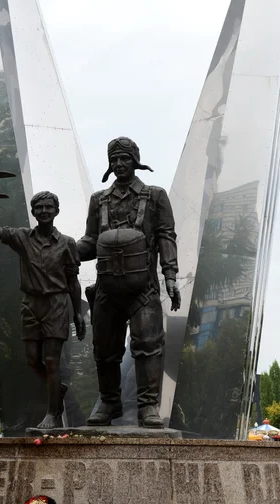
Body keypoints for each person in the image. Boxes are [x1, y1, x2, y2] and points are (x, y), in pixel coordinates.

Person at [77, 137, 181, 428]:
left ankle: (148, 406)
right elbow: (90, 241)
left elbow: (166, 237)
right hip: (106, 288)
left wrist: (170, 276)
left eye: (124, 158)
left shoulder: (156, 196)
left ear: (135, 160)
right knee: (104, 348)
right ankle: (109, 401)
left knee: (148, 344)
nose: (119, 164)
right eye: (114, 160)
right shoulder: (99, 200)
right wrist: (66, 250)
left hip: (143, 287)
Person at [0, 187, 86, 429]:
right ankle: (56, 388)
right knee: (31, 359)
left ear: (56, 211)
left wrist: (77, 313)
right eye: (39, 207)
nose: (44, 211)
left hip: (56, 304)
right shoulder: (23, 237)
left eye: (49, 207)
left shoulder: (67, 244)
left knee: (52, 361)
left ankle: (53, 413)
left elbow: (73, 281)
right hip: (31, 304)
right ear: (33, 211)